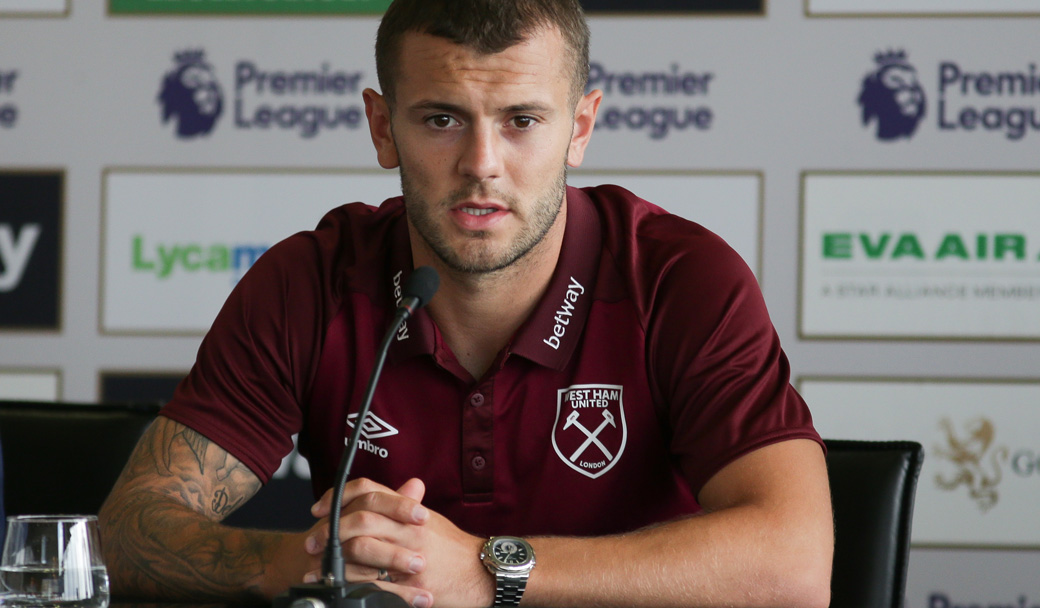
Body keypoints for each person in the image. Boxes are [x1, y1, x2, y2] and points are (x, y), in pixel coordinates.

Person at [98, 1, 834, 606]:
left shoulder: (680, 278)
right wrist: (306, 561)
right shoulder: (309, 281)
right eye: (442, 119)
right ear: (383, 128)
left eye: (522, 120)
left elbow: (795, 565)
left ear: (579, 128)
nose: (482, 164)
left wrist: (487, 571)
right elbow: (128, 532)